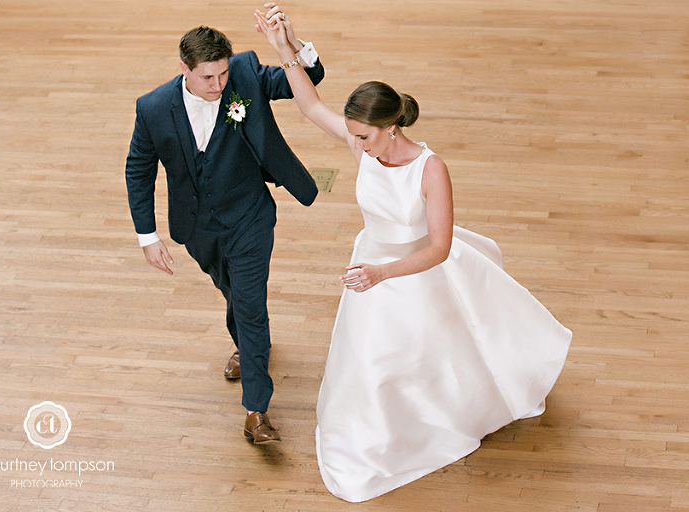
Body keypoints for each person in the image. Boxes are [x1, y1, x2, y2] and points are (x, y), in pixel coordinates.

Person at [255, 11, 572, 501]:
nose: (354, 143)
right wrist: (284, 49)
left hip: (412, 268)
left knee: (431, 357)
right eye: (354, 134)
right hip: (371, 268)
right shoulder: (366, 148)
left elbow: (440, 247)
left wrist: (383, 273)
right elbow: (310, 107)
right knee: (374, 361)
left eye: (363, 135)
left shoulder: (431, 169)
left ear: (391, 128)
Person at [125, 4, 325, 445]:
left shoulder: (246, 75)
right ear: (184, 69)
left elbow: (305, 81)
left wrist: (291, 44)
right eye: (207, 78)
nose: (218, 86)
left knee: (251, 304)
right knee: (232, 291)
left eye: (222, 75)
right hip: (197, 229)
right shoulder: (154, 108)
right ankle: (248, 345)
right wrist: (148, 235)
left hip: (251, 217)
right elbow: (138, 169)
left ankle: (256, 410)